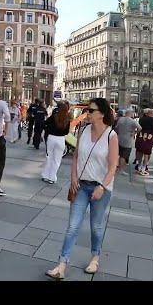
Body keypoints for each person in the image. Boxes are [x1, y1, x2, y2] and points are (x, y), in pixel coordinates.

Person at [46, 98, 118, 280]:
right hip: (81, 185)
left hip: (101, 188)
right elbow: (76, 156)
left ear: (101, 113)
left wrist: (102, 187)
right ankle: (62, 264)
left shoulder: (111, 136)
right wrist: (73, 177)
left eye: (91, 110)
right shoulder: (84, 130)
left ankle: (95, 257)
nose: (87, 113)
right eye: (87, 110)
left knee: (96, 226)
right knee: (72, 226)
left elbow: (113, 166)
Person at [41, 101, 71, 184]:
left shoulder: (54, 116)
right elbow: (66, 132)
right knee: (57, 159)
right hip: (61, 139)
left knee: (49, 156)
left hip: (51, 137)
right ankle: (52, 177)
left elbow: (45, 124)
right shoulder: (67, 119)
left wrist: (49, 129)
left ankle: (45, 175)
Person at [114, 109, 140, 176]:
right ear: (131, 114)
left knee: (118, 154)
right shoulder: (132, 121)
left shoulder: (120, 119)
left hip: (119, 138)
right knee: (124, 155)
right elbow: (140, 128)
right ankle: (121, 170)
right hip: (128, 140)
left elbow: (116, 128)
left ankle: (117, 167)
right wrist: (134, 132)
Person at [136, 108, 153, 176]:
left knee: (140, 151)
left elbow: (139, 128)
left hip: (141, 136)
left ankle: (139, 166)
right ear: (151, 114)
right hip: (149, 137)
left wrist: (137, 136)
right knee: (146, 153)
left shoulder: (142, 119)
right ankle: (143, 168)